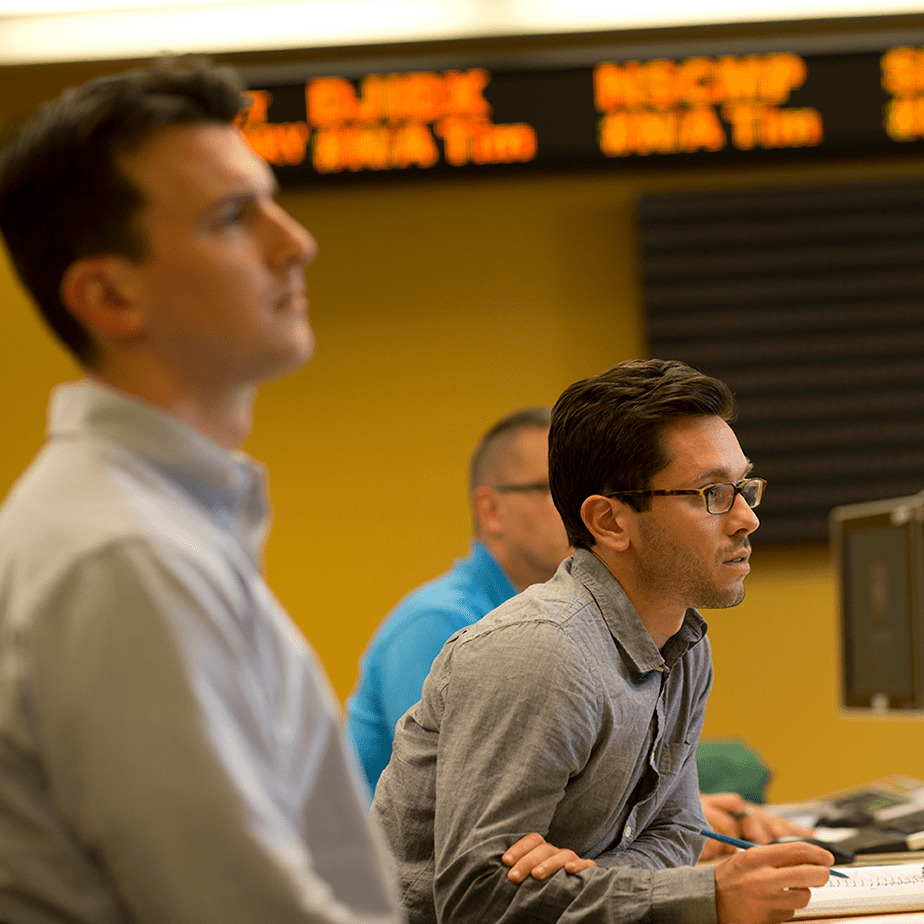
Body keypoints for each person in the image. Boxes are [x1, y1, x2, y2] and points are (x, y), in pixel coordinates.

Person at [0, 58, 402, 923]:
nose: (295, 241)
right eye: (233, 216)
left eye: (271, 199)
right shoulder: (122, 553)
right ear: (109, 295)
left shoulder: (149, 525)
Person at [372, 358, 835, 924]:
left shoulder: (683, 643)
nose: (746, 520)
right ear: (610, 522)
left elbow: (680, 832)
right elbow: (478, 900)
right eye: (712, 493)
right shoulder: (540, 651)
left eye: (744, 488)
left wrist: (591, 876)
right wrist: (700, 896)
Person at [346, 407, 571, 791]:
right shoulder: (439, 624)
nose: (578, 506)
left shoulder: (558, 620)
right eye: (553, 488)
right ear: (491, 511)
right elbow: (461, 798)